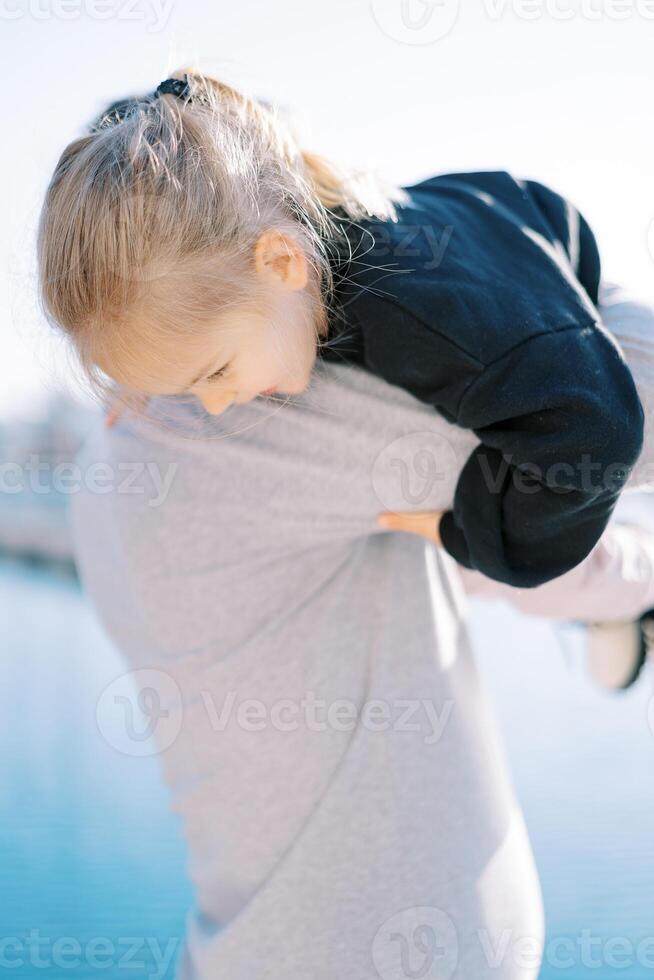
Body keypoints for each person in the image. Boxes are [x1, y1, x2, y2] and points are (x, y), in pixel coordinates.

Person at [68, 279, 654, 980]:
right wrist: (561, 257)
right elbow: (607, 416)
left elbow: (453, 546)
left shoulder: (108, 462)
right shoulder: (250, 413)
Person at [37, 69, 643, 595]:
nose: (217, 405)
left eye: (214, 372)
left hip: (533, 250)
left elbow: (596, 427)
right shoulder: (250, 227)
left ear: (281, 263)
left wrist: (471, 532)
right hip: (455, 224)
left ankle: (626, 595)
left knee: (485, 554)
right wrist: (155, 359)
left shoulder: (421, 320)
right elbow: (170, 112)